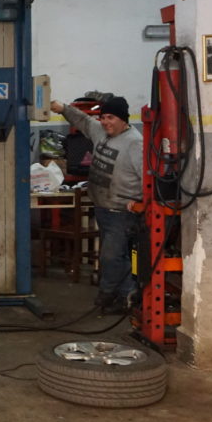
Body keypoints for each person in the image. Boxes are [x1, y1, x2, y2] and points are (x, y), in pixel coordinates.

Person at [49, 96, 143, 313]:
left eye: (110, 117)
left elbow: (148, 178)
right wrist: (61, 108)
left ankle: (108, 294)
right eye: (102, 117)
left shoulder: (135, 143)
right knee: (118, 256)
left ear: (123, 119)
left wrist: (141, 202)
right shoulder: (101, 131)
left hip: (122, 212)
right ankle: (125, 296)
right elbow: (82, 120)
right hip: (102, 208)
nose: (105, 122)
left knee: (110, 256)